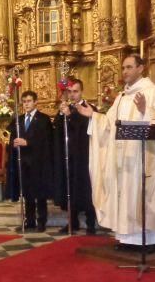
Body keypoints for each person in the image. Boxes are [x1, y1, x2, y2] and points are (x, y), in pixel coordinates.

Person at [76, 55, 155, 249]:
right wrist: (94, 117)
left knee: (143, 196)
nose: (125, 72)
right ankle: (127, 239)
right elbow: (110, 124)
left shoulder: (153, 92)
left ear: (141, 68)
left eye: (129, 67)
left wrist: (146, 111)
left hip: (143, 158)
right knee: (125, 195)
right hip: (124, 161)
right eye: (123, 68)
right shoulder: (121, 97)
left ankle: (150, 240)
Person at [53, 78, 97, 235]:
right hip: (68, 155)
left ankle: (91, 223)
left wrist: (70, 115)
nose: (72, 95)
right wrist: (61, 114)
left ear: (82, 91)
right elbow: (57, 128)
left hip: (84, 156)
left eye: (75, 91)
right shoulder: (66, 108)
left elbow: (85, 127)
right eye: (69, 92)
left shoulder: (89, 108)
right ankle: (73, 222)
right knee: (69, 188)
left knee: (86, 189)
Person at [7, 90, 53, 233]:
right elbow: (12, 139)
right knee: (27, 194)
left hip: (38, 162)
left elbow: (46, 141)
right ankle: (30, 220)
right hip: (23, 163)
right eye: (24, 102)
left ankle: (41, 221)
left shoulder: (43, 119)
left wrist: (27, 142)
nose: (26, 104)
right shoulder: (18, 120)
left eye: (29, 101)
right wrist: (13, 144)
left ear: (35, 102)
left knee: (40, 193)